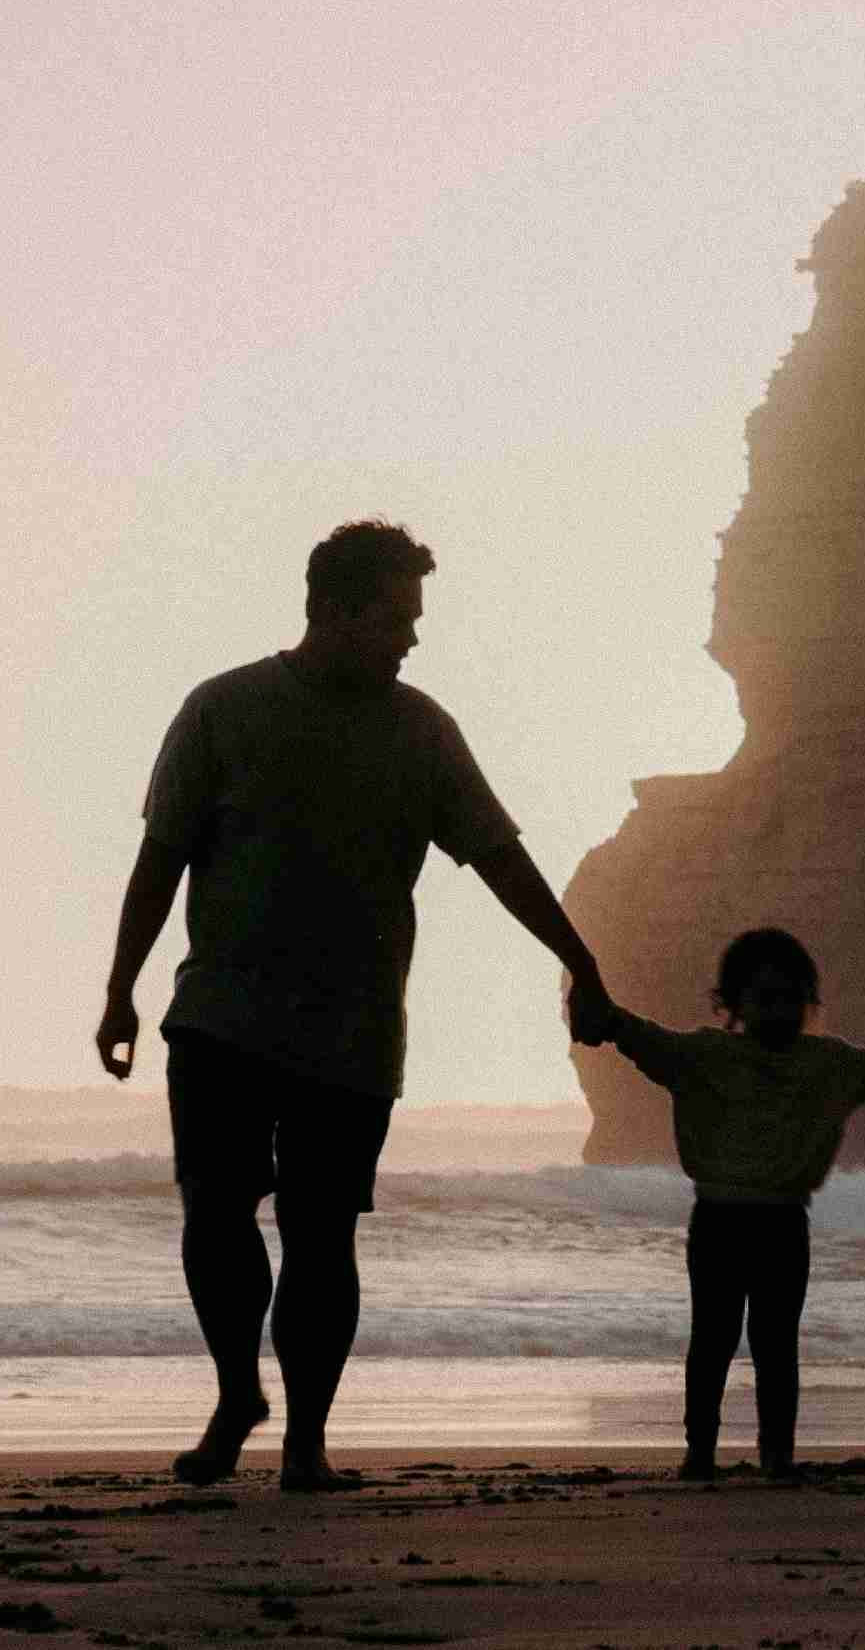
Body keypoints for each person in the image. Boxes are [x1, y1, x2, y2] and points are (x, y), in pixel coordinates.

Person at [91, 520, 610, 1492]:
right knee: (215, 1210)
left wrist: (579, 959)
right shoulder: (222, 709)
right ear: (332, 608)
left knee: (322, 1233)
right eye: (395, 618)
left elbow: (499, 855)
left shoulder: (423, 730)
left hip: (354, 1027)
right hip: (222, 1016)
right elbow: (161, 857)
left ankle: (306, 1442)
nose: (411, 638)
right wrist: (120, 989)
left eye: (413, 619)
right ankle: (237, 1391)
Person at [572, 928, 865, 1482]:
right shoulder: (702, 1055)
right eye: (766, 999)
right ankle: (699, 1451)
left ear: (810, 1003)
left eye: (792, 999)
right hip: (719, 1221)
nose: (780, 1011)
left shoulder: (829, 1063)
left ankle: (777, 1454)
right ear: (733, 1005)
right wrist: (603, 1015)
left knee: (776, 1344)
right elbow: (638, 1035)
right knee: (713, 1339)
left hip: (783, 1221)